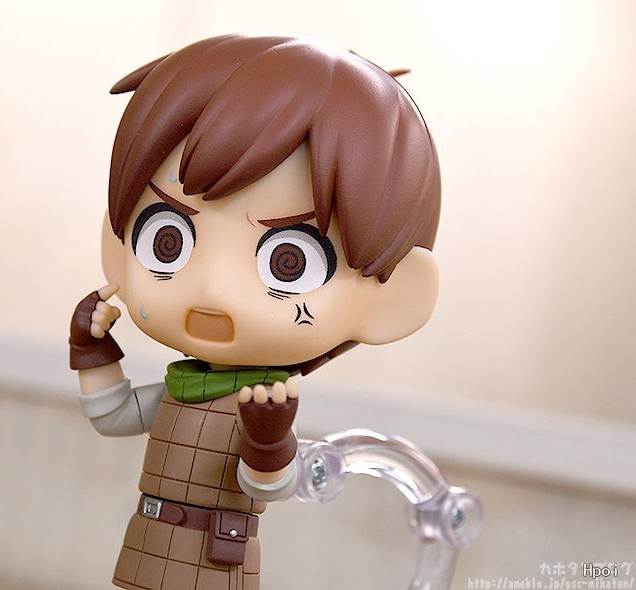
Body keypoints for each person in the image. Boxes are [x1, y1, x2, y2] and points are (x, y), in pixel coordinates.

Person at [69, 33, 441, 590]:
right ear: (118, 245)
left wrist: (268, 440)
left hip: (217, 558)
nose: (212, 288)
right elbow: (114, 416)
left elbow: (268, 485)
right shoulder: (183, 386)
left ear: (393, 299)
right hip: (148, 543)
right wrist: (92, 350)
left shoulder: (263, 402)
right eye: (168, 240)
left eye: (288, 261)